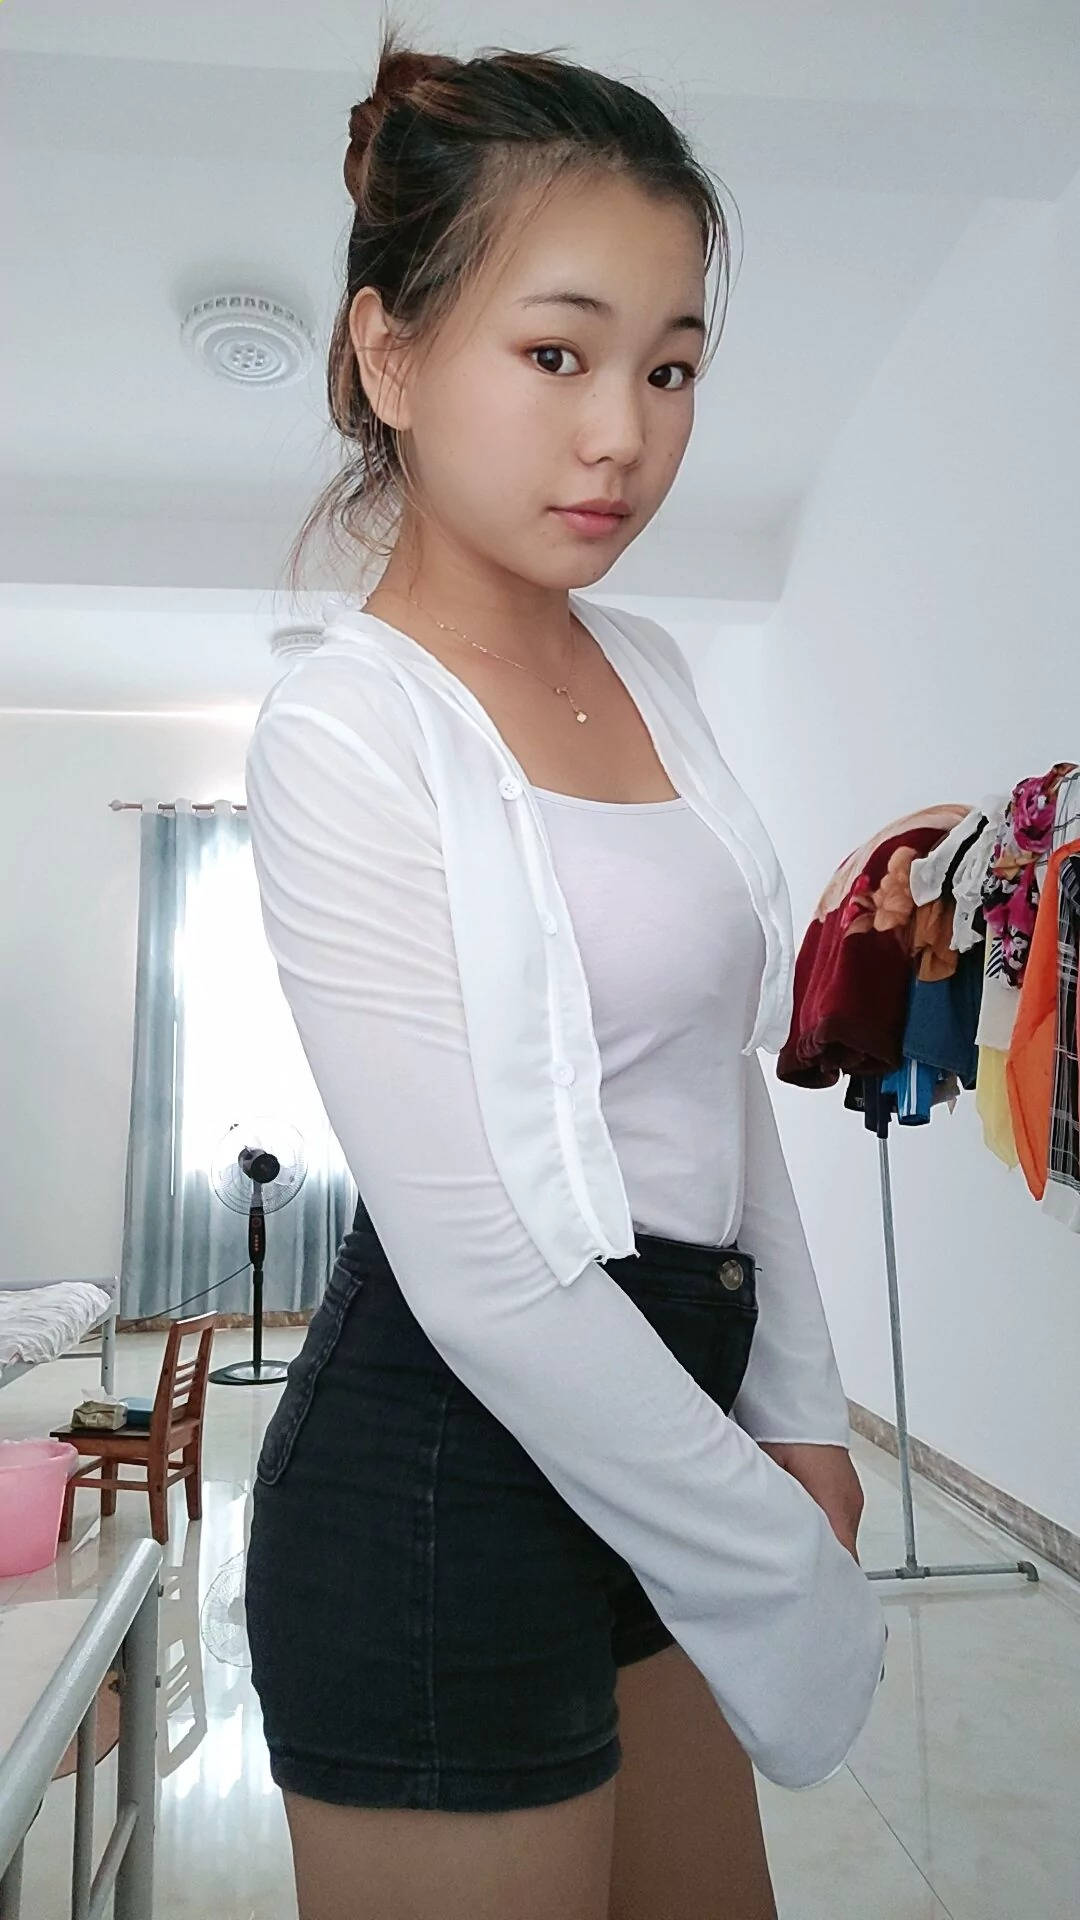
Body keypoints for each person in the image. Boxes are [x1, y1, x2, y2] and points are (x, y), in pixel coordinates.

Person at [243, 27, 887, 1920]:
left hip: (676, 1427)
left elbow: (714, 1083)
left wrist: (800, 1410)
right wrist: (769, 1560)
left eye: (670, 368)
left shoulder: (653, 673)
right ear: (389, 355)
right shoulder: (348, 729)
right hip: (446, 1477)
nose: (624, 433)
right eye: (557, 354)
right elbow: (486, 1271)